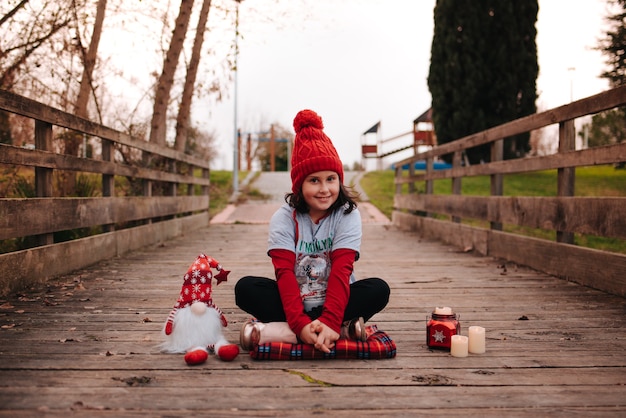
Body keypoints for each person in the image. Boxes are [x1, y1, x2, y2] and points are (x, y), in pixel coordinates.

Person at [235, 109, 390, 354]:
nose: (324, 189)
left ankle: (287, 332)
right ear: (299, 184)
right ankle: (339, 331)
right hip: (293, 303)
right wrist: (300, 323)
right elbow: (284, 274)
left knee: (378, 289)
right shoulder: (284, 218)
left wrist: (329, 318)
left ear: (339, 180)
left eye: (331, 179)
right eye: (314, 180)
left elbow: (342, 270)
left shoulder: (348, 215)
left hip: (336, 301)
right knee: (245, 289)